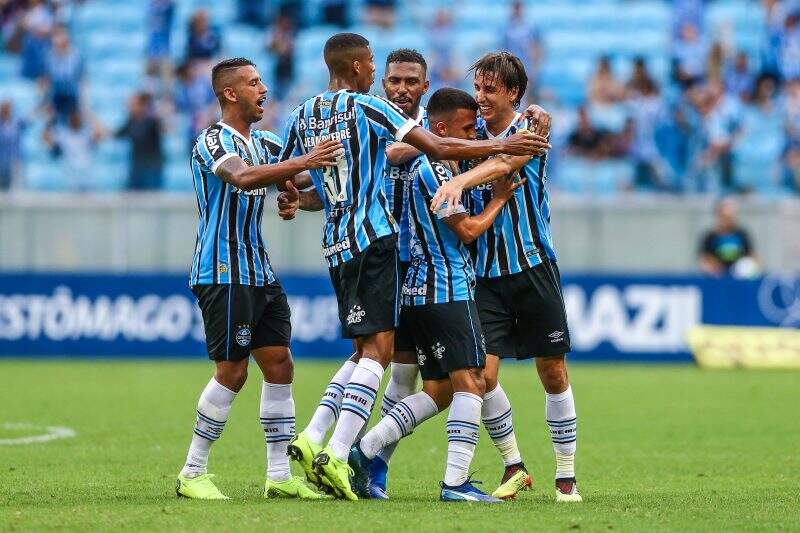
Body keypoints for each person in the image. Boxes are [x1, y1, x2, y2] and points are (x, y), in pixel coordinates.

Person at [277, 33, 548, 501]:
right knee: (412, 372)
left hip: (411, 267)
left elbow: (466, 140)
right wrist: (299, 197)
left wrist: (526, 123)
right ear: (380, 79)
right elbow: (344, 178)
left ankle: (357, 452)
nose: (402, 88)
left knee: (440, 378)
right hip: (399, 265)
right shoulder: (377, 122)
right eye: (395, 80)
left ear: (424, 87)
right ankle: (366, 461)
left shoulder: (437, 124)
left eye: (411, 81)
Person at [174, 57, 344, 501]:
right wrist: (302, 163)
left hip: (259, 271)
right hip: (223, 271)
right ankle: (192, 472)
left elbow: (301, 174)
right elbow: (243, 176)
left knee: (280, 364)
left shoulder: (266, 142)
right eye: (253, 83)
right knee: (232, 370)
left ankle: (279, 476)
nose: (263, 89)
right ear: (230, 94)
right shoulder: (212, 140)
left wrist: (303, 187)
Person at [349, 88, 525, 503]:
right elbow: (465, 230)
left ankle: (365, 449)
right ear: (441, 128)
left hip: (423, 290)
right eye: (466, 130)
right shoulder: (435, 171)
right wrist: (499, 199)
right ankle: (454, 483)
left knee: (439, 391)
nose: (471, 137)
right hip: (446, 287)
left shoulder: (435, 167)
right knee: (472, 381)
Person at [428, 52, 582, 503]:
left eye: (490, 89)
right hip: (486, 276)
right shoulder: (467, 132)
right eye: (477, 89)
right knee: (481, 375)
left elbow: (503, 166)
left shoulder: (530, 132)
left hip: (532, 267)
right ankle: (514, 463)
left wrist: (458, 182)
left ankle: (566, 476)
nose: (480, 98)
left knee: (552, 370)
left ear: (514, 93)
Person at [115, 92, 164, 190]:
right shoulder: (131, 122)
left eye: (133, 104)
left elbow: (165, 127)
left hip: (152, 168)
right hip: (137, 167)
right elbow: (117, 135)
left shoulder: (152, 122)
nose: (130, 107)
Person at [698, 198, 758, 277]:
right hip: (717, 273)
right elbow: (704, 257)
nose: (727, 220)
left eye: (729, 217)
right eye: (724, 217)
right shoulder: (710, 236)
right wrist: (716, 268)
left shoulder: (741, 234)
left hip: (739, 273)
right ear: (718, 216)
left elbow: (752, 254)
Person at [42, 27, 83, 122]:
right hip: (55, 95)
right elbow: (45, 80)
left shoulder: (76, 56)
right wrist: (45, 98)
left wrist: (83, 102)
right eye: (56, 36)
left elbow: (81, 79)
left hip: (72, 94)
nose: (59, 39)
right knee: (46, 113)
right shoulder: (48, 57)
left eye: (62, 36)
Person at [0, 101, 25, 191]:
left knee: (14, 187)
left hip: (14, 158)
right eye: (4, 108)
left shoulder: (16, 122)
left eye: (8, 108)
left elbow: (29, 120)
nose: (6, 110)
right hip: (1, 159)